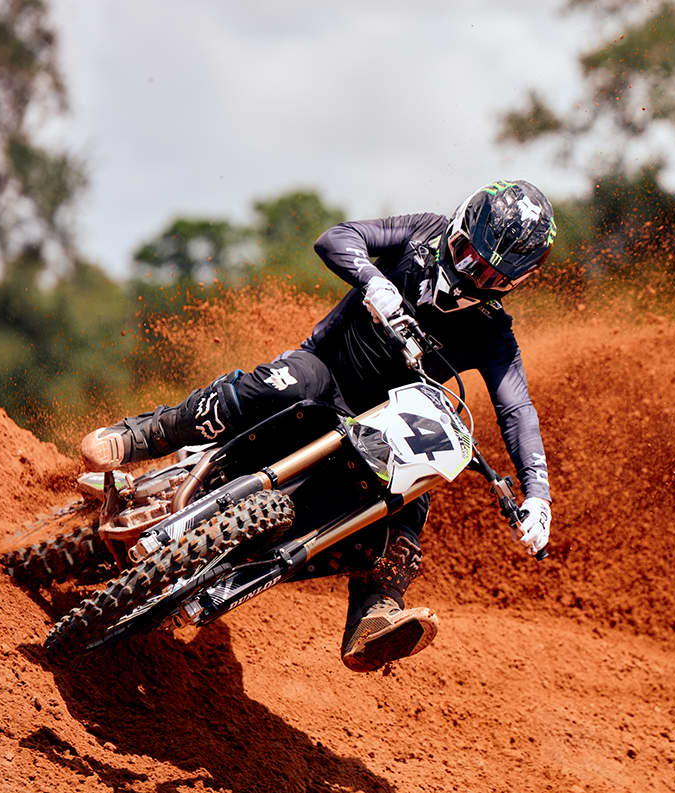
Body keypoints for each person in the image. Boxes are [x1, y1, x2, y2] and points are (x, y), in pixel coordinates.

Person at [79, 179, 555, 671]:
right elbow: (336, 237)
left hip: (387, 429)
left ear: (512, 284)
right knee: (279, 387)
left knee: (413, 504)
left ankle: (374, 616)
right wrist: (374, 281)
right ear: (458, 226)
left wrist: (537, 495)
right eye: (465, 252)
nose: (468, 271)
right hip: (324, 375)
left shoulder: (494, 333)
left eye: (488, 274)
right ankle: (139, 436)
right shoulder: (420, 233)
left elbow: (516, 409)